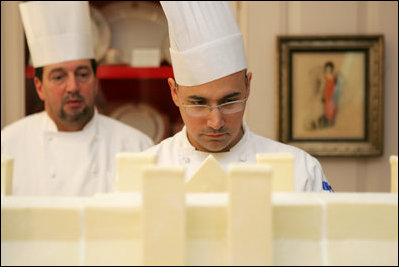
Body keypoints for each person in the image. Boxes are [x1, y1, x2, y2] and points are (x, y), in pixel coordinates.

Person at [145, 1, 332, 192]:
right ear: (174, 93)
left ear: (248, 86)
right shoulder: (145, 171)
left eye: (229, 102)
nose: (216, 122)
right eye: (198, 104)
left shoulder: (301, 170)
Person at [1, 1, 153, 196]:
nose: (73, 87)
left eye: (82, 74)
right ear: (39, 87)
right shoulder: (9, 145)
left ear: (95, 81)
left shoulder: (136, 146)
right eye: (59, 77)